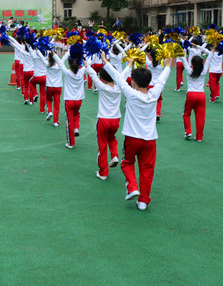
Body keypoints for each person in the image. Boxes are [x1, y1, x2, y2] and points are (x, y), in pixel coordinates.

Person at [101, 52, 172, 211]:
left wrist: (105, 61)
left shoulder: (131, 94)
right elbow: (162, 80)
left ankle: (132, 186)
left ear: (133, 82)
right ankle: (143, 201)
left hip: (132, 138)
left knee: (127, 163)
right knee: (147, 170)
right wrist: (168, 65)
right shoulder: (154, 94)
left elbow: (117, 77)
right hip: (150, 140)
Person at [86, 61, 126, 180]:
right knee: (112, 138)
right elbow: (123, 74)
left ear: (102, 77)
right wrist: (129, 65)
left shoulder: (102, 87)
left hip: (103, 120)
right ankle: (114, 155)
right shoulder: (119, 87)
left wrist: (86, 64)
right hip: (115, 120)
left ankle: (103, 172)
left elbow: (92, 74)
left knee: (102, 145)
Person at [179, 46, 215, 142]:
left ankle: (188, 131)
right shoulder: (203, 71)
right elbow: (209, 58)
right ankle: (199, 137)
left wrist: (180, 48)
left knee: (186, 114)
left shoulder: (189, 70)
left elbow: (182, 58)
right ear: (202, 63)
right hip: (201, 95)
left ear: (192, 63)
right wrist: (213, 48)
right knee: (200, 117)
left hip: (191, 94)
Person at [52, 51, 86, 149]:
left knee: (69, 122)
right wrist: (83, 56)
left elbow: (59, 62)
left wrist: (53, 52)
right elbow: (89, 62)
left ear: (69, 64)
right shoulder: (82, 71)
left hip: (69, 101)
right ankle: (76, 128)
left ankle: (70, 143)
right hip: (79, 100)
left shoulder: (67, 73)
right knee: (77, 114)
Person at [44, 49, 64, 127]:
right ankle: (55, 121)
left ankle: (49, 111)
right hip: (58, 87)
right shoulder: (60, 64)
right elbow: (65, 57)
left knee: (48, 99)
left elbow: (41, 56)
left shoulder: (47, 64)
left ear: (49, 58)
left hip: (49, 86)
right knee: (57, 104)